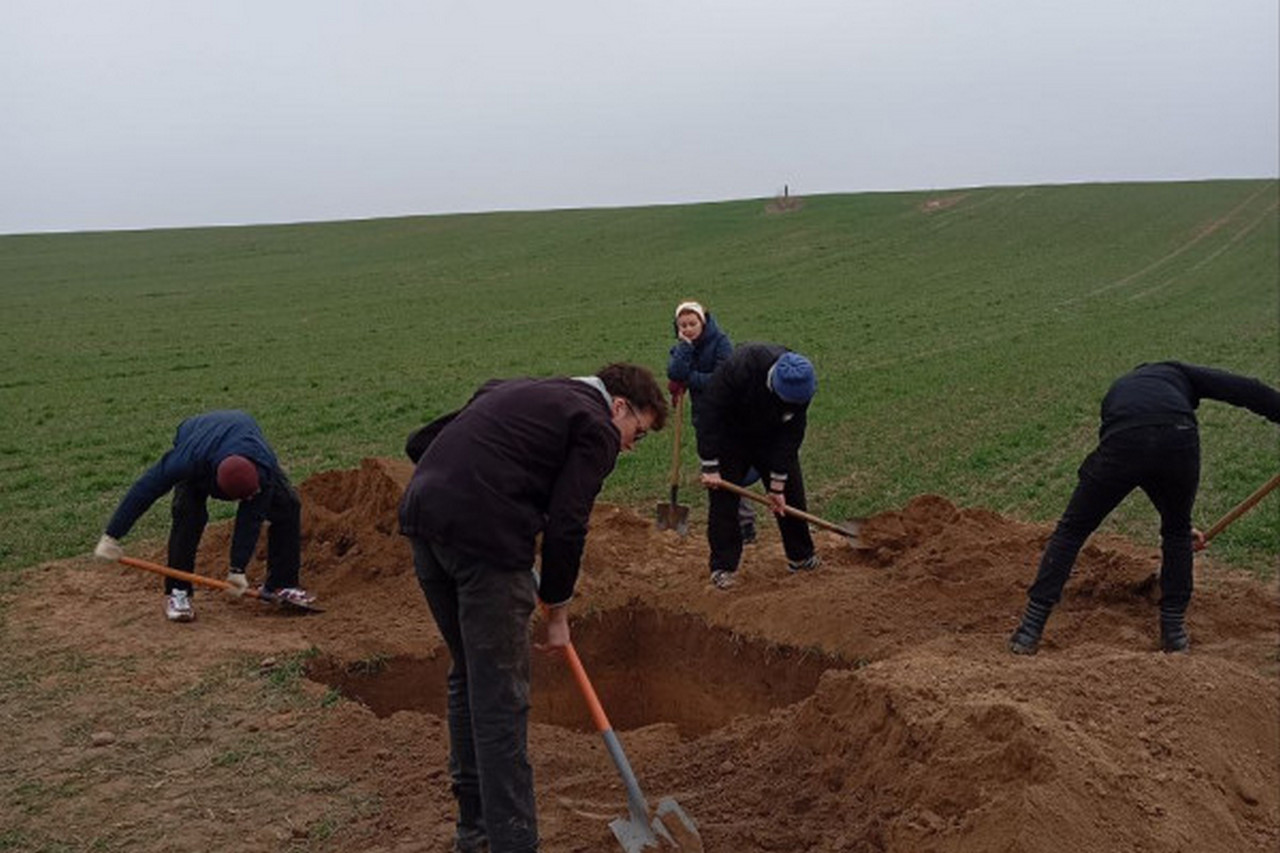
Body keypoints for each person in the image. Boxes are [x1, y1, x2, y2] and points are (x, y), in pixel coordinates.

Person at [399, 363, 667, 853]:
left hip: (424, 521)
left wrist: (493, 486)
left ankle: (475, 834)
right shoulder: (596, 428)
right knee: (501, 696)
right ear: (619, 406)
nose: (629, 445)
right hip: (487, 549)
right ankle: (513, 844)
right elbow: (568, 524)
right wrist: (558, 612)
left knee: (469, 676)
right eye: (638, 433)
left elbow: (421, 443)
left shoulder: (514, 389)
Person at [1009, 362, 1280, 655]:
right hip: (1179, 436)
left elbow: (1134, 453)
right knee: (1175, 532)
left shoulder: (1121, 389)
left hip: (1124, 439)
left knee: (1072, 530)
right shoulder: (1179, 373)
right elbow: (1247, 389)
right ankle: (1174, 634)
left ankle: (1030, 630)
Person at [93, 410, 312, 622]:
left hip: (241, 434)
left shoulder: (263, 467)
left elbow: (251, 519)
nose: (249, 501)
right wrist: (112, 535)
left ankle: (282, 584)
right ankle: (178, 592)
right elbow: (145, 489)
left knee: (288, 506)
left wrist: (237, 569)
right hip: (198, 440)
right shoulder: (186, 461)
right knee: (187, 515)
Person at [696, 343, 820, 590]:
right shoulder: (740, 367)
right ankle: (723, 567)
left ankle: (800, 556)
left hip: (772, 438)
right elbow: (709, 414)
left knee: (791, 493)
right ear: (774, 384)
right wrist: (710, 465)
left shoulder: (802, 388)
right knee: (724, 501)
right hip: (731, 438)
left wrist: (777, 486)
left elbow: (790, 438)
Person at [665, 299, 759, 542]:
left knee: (729, 470)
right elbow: (675, 373)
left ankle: (746, 524)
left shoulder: (720, 343)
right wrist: (684, 350)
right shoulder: (681, 347)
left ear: (703, 323)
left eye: (692, 324)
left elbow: (722, 379)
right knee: (711, 471)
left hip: (727, 414)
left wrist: (690, 379)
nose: (687, 329)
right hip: (703, 417)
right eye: (682, 325)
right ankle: (727, 523)